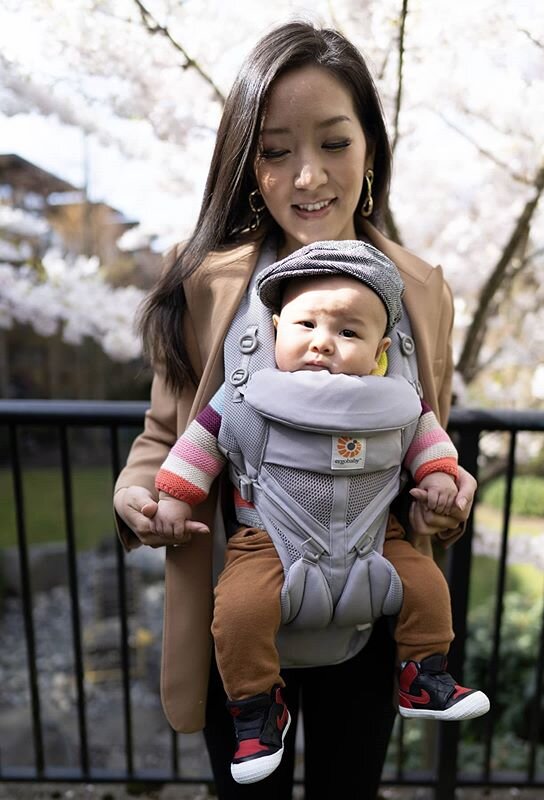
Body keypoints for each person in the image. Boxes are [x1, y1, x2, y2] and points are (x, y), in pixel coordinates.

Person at [113, 20, 479, 800]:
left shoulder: (418, 288)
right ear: (248, 163)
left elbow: (424, 427)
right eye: (276, 150)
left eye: (334, 143)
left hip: (372, 608)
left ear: (371, 147)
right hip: (240, 604)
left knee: (351, 788)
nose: (307, 176)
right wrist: (138, 495)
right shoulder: (206, 283)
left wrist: (447, 496)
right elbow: (163, 434)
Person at [151, 240, 489, 784]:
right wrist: (172, 498)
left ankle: (423, 672)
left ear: (381, 347)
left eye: (348, 332)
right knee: (238, 610)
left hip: (377, 536)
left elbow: (429, 443)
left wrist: (441, 481)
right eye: (305, 325)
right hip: (269, 540)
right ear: (276, 328)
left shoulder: (397, 399)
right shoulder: (244, 395)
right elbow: (198, 445)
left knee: (427, 586)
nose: (322, 344)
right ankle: (257, 706)